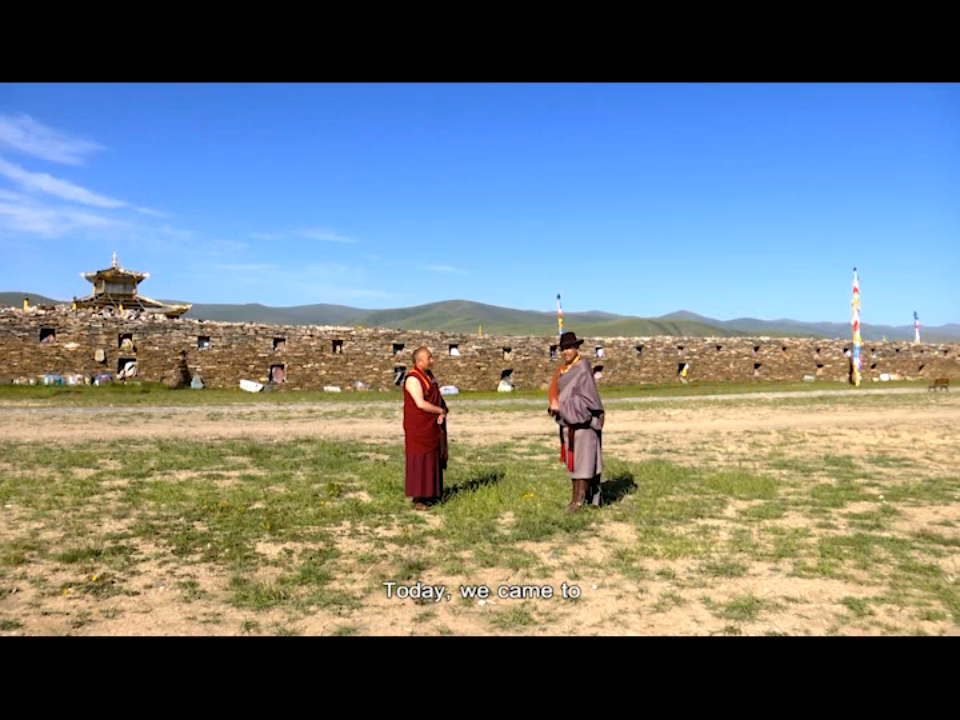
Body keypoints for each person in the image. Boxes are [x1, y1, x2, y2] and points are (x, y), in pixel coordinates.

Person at [548, 331, 604, 512]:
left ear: (577, 348)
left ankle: (578, 502)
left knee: (583, 462)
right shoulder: (564, 370)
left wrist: (562, 407)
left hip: (583, 423)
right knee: (575, 462)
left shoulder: (582, 369)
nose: (566, 352)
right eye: (563, 348)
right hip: (568, 422)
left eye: (569, 347)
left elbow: (588, 401)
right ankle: (581, 498)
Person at [403, 346, 449, 510]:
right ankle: (419, 498)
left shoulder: (429, 376)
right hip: (419, 427)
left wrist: (442, 410)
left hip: (432, 426)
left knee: (432, 459)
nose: (432, 361)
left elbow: (436, 397)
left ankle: (432, 493)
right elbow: (420, 403)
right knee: (420, 459)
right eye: (429, 358)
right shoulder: (413, 379)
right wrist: (439, 410)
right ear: (419, 361)